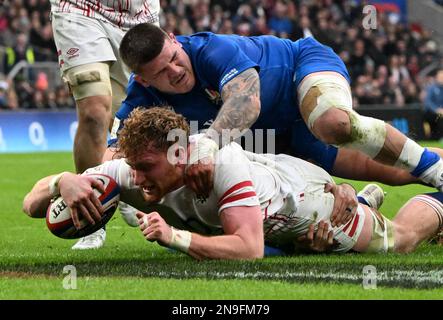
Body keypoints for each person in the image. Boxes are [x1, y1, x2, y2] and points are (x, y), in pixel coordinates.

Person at [22, 108, 443, 259]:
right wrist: (65, 180)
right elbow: (31, 205)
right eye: (133, 165)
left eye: (147, 166)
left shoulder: (221, 165)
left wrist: (174, 237)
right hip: (262, 198)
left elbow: (249, 248)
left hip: (304, 203)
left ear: (180, 155)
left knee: (401, 240)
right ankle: (368, 201)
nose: (137, 177)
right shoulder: (130, 172)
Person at [117, 23, 443, 199]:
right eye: (162, 72)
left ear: (174, 39)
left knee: (333, 122)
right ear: (144, 78)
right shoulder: (139, 95)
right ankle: (433, 166)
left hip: (299, 70)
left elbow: (246, 102)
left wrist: (207, 144)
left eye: (175, 57)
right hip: (277, 139)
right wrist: (97, 186)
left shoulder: (209, 49)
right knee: (394, 171)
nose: (175, 70)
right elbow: (114, 149)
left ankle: (436, 172)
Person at [49, 0, 160, 250]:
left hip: (139, 14)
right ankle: (92, 220)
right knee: (94, 110)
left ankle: (120, 178)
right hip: (80, 8)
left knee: (132, 117)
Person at [424, 68, 443, 140]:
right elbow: (428, 102)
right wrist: (436, 110)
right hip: (431, 113)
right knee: (439, 117)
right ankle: (439, 137)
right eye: (440, 77)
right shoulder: (431, 88)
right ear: (437, 77)